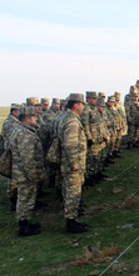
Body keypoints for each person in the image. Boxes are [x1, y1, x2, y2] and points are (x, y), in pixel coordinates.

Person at [8, 106, 46, 236]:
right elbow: (27, 159)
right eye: (34, 116)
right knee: (25, 199)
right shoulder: (25, 134)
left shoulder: (20, 130)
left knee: (25, 198)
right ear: (28, 118)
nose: (36, 119)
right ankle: (23, 226)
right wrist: (33, 176)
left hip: (21, 172)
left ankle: (25, 222)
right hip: (25, 174)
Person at [58, 94, 89, 233]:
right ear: (76, 105)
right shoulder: (72, 121)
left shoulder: (65, 117)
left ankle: (70, 217)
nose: (83, 107)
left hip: (66, 162)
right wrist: (75, 163)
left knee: (68, 190)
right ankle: (71, 222)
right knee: (73, 191)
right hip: (72, 164)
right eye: (82, 104)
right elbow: (70, 145)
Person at [0, 103, 21, 210]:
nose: (20, 113)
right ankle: (13, 199)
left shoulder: (14, 122)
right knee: (13, 177)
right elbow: (12, 140)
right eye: (18, 111)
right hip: (11, 153)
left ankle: (15, 198)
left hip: (14, 152)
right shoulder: (11, 123)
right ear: (13, 112)